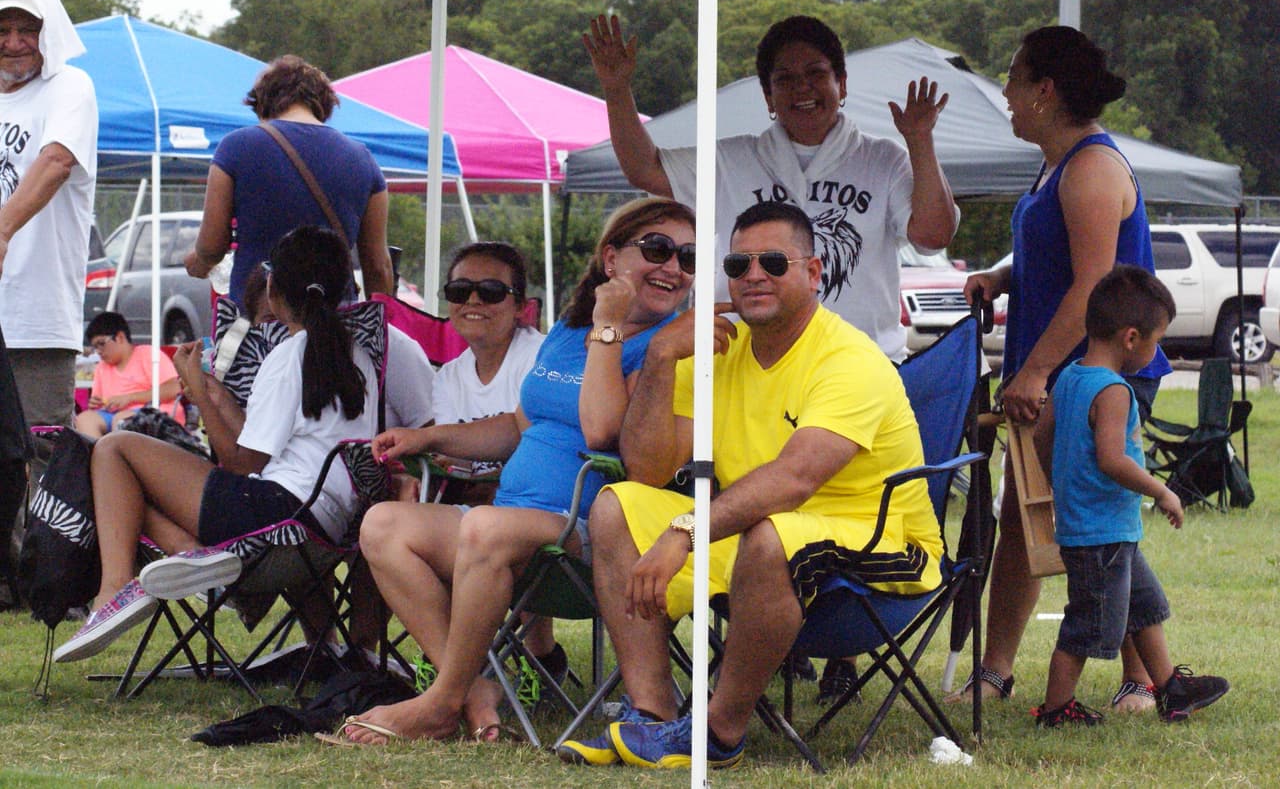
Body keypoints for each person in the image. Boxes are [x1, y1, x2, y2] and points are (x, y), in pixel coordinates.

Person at [558, 201, 943, 769]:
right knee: (617, 505)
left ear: (813, 274)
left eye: (773, 262)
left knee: (769, 533)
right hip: (757, 541)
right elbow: (647, 468)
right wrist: (662, 356)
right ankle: (654, 713)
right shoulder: (717, 348)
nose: (753, 275)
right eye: (738, 264)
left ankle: (718, 732)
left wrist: (686, 529)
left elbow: (794, 479)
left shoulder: (849, 359)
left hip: (883, 556)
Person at [327, 197, 695, 745]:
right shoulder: (569, 332)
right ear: (612, 259)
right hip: (513, 523)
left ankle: (439, 703)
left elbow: (599, 431)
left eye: (687, 257)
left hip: (592, 532)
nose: (673, 267)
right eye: (659, 249)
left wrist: (609, 328)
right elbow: (522, 423)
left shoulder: (667, 345)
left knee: (484, 526)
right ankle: (474, 686)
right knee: (383, 524)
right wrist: (430, 435)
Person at [958, 26, 1174, 712]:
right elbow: (1051, 258)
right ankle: (997, 670)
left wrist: (1033, 373)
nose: (1006, 92)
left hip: (1099, 375)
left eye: (1014, 77)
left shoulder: (1091, 168)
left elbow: (1091, 286)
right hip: (1060, 371)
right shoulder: (1056, 165)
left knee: (1097, 523)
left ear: (1045, 90)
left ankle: (1141, 678)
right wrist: (998, 275)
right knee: (1031, 519)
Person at [53, 226, 380, 663]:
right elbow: (273, 446)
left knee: (114, 451)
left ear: (274, 288)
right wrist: (220, 397)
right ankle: (190, 554)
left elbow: (239, 463)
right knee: (126, 490)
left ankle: (116, 588)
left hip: (272, 519)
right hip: (325, 524)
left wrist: (197, 392)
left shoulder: (287, 356)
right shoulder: (356, 354)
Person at [584, 13, 958, 362]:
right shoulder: (733, 159)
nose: (802, 88)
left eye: (816, 73)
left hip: (858, 365)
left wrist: (919, 140)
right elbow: (644, 168)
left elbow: (934, 234)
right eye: (784, 79)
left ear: (841, 83)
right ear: (768, 96)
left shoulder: (884, 160)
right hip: (746, 366)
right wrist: (616, 89)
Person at [1030, 265, 1228, 727]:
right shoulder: (1115, 391)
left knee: (1145, 606)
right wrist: (1162, 491)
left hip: (1101, 528)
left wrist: (1060, 480)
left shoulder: (1071, 377)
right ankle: (1056, 710)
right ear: (1131, 338)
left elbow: (1043, 435)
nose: (1158, 352)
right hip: (1101, 534)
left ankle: (1171, 690)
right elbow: (1112, 459)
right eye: (1157, 341)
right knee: (1086, 627)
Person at [0, 0, 98, 572]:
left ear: (49, 34)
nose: (13, 41)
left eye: (26, 30)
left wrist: (3, 227)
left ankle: (44, 577)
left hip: (35, 311)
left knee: (38, 450)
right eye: (3, 29)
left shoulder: (71, 87)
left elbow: (56, 160)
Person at [184, 54, 393, 307]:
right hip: (336, 324)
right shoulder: (364, 159)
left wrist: (197, 263)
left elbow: (212, 247)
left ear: (263, 102)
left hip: (261, 321)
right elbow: (378, 268)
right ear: (323, 105)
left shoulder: (237, 147)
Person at [427, 241, 544, 498]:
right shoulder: (447, 378)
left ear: (521, 306)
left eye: (491, 291)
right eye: (459, 290)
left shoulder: (541, 359)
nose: (473, 300)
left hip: (530, 502)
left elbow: (542, 453)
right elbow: (456, 461)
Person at [74, 312, 184, 438]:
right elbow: (99, 404)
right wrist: (96, 403)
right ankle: (100, 455)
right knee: (84, 419)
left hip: (154, 413)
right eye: (95, 347)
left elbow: (173, 389)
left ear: (120, 337)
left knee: (123, 420)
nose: (98, 351)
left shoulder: (148, 354)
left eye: (101, 344)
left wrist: (130, 398)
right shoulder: (102, 367)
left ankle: (116, 455)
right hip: (112, 415)